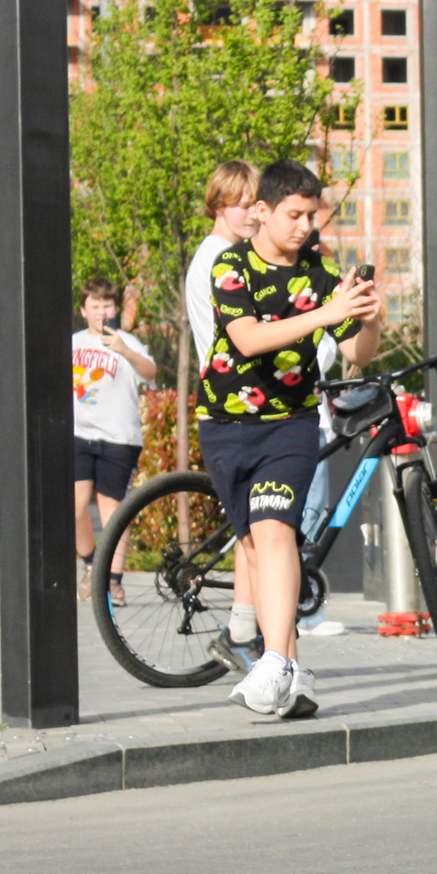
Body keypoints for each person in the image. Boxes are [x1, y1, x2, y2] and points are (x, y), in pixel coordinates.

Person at [199, 159, 382, 720]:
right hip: (225, 425)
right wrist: (326, 312)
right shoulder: (231, 266)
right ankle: (294, 674)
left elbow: (358, 355)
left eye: (311, 215)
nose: (304, 226)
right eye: (293, 214)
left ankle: (273, 658)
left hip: (292, 424)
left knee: (276, 531)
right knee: (255, 547)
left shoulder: (322, 276)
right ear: (262, 211)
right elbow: (249, 339)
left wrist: (369, 316)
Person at [180, 161, 265, 651]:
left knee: (255, 529)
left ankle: (244, 626)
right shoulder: (220, 261)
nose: (253, 214)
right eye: (242, 204)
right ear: (218, 205)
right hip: (237, 402)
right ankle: (247, 632)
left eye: (258, 204)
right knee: (261, 533)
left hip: (233, 399)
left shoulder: (223, 254)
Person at [70, 276, 159, 602]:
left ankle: (113, 579)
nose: (101, 312)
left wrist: (122, 349)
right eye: (94, 306)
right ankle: (92, 565)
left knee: (113, 512)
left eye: (106, 305)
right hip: (79, 434)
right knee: (74, 505)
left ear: (115, 308)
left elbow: (150, 373)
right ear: (83, 310)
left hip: (119, 438)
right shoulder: (74, 343)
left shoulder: (128, 341)